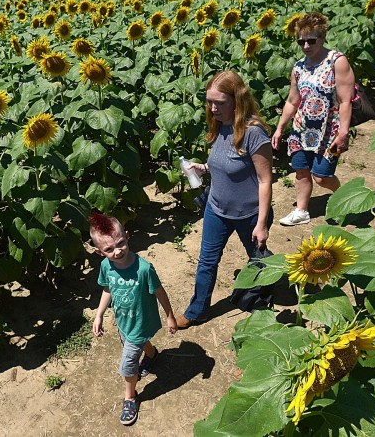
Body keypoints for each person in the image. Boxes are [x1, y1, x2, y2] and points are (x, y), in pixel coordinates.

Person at [175, 70, 274, 329]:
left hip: (249, 214)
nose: (212, 108)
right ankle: (197, 311)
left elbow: (265, 181)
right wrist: (203, 168)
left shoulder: (254, 134)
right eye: (209, 101)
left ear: (237, 101)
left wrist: (261, 224)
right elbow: (224, 162)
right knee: (207, 261)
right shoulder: (220, 125)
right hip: (217, 208)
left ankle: (263, 297)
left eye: (219, 103)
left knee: (258, 259)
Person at [89, 211, 177, 426]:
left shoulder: (144, 269)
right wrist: (99, 315)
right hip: (123, 321)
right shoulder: (106, 266)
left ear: (127, 236)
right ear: (99, 252)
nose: (117, 251)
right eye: (109, 249)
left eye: (120, 243)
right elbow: (107, 289)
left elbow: (160, 292)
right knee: (132, 342)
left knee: (129, 364)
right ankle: (152, 354)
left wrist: (170, 316)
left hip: (140, 322)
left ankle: (130, 397)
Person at [272, 12, 355, 226]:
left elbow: (345, 100)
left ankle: (344, 197)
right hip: (301, 129)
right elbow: (292, 101)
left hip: (329, 131)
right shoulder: (299, 67)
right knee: (301, 171)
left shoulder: (337, 61)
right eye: (301, 42)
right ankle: (301, 211)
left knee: (321, 177)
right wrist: (280, 128)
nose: (306, 46)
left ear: (323, 37)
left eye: (311, 40)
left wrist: (343, 132)